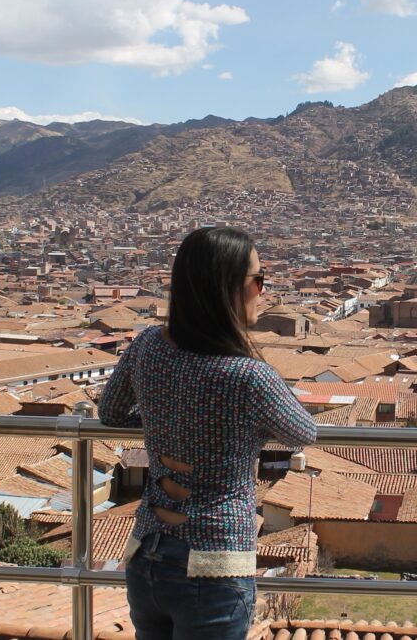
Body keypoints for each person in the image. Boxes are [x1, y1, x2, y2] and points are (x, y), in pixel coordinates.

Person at [99, 227, 317, 640]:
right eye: (259, 279)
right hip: (213, 558)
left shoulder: (148, 345)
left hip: (148, 551)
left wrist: (169, 424)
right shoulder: (248, 376)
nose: (263, 290)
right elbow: (302, 433)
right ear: (229, 288)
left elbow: (110, 411)